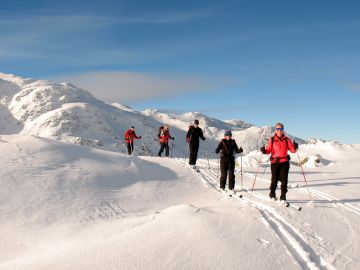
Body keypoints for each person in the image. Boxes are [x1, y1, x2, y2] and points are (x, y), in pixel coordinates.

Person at [260, 122, 298, 201]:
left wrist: (295, 147)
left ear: (283, 130)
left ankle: (283, 196)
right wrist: (264, 151)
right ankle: (272, 193)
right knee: (274, 179)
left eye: (281, 129)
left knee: (284, 180)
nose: (279, 130)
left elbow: (293, 151)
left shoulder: (287, 140)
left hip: (285, 162)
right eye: (277, 129)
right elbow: (268, 150)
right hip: (275, 162)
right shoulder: (272, 139)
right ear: (275, 130)